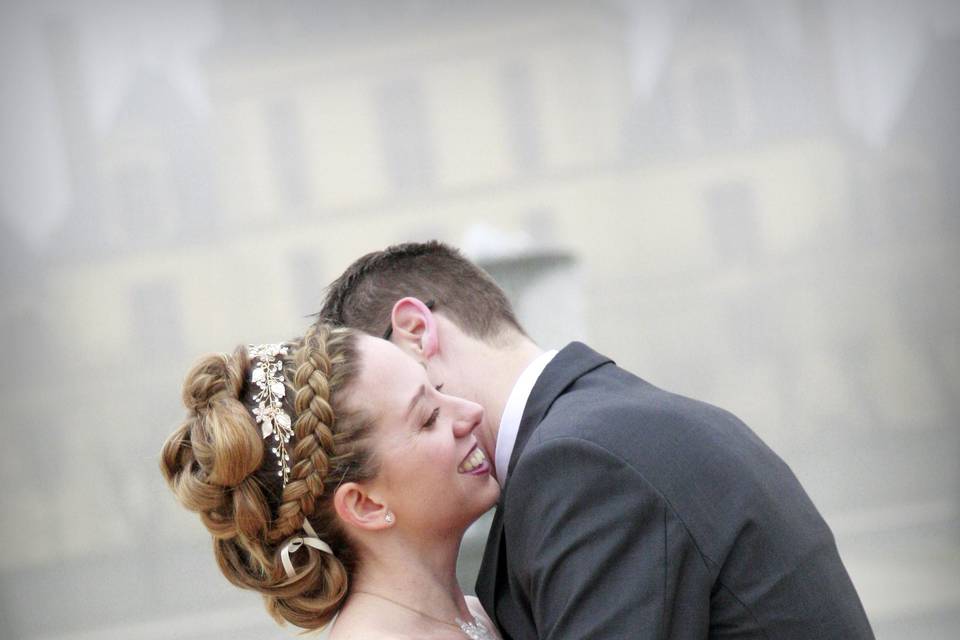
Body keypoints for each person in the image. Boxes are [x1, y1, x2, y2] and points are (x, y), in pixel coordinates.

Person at [317, 240, 875, 639]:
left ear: (416, 330)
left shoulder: (580, 462)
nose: (453, 413)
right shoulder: (609, 423)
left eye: (400, 381)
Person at [160, 324, 503, 639]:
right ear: (364, 504)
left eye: (438, 389)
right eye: (429, 418)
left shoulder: (479, 612)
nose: (471, 412)